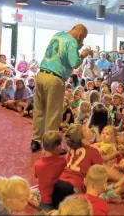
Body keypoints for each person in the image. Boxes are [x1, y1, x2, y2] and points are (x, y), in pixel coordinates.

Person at [31, 24, 90, 152]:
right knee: (53, 114)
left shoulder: (58, 35)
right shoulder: (72, 42)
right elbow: (74, 63)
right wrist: (83, 55)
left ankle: (35, 141)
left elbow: (62, 54)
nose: (82, 41)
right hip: (55, 79)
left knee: (39, 110)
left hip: (41, 75)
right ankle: (51, 145)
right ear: (80, 35)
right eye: (83, 38)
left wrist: (76, 48)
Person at [52, 124, 103, 209]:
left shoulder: (71, 149)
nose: (87, 127)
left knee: (59, 209)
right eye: (85, 129)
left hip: (59, 183)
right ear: (83, 141)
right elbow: (101, 169)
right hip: (75, 188)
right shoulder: (93, 151)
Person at [34, 131, 66, 211]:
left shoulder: (37, 163)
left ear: (42, 145)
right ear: (58, 147)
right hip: (58, 199)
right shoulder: (63, 162)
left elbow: (37, 176)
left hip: (44, 200)